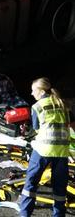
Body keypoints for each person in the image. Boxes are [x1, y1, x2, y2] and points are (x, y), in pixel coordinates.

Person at [19, 77, 70, 217]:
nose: (31, 93)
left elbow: (36, 128)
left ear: (41, 91)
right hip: (62, 151)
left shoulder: (37, 106)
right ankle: (58, 215)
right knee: (60, 187)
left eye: (33, 90)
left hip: (44, 149)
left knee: (31, 182)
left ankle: (24, 214)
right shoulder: (62, 104)